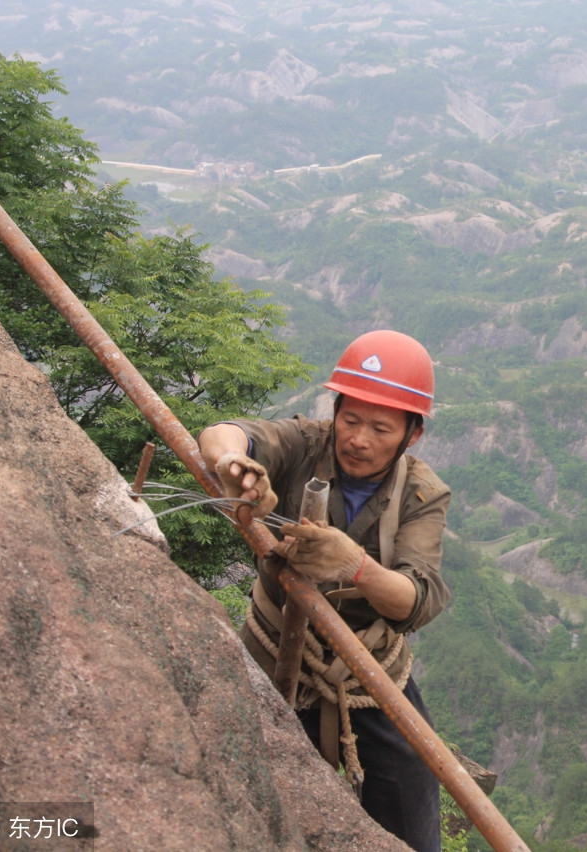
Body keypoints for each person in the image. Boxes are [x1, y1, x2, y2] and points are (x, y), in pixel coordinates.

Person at [198, 329, 451, 852]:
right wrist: (235, 466)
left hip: (367, 667)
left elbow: (417, 599)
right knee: (229, 777)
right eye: (350, 419)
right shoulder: (305, 445)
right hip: (273, 646)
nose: (358, 438)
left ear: (412, 434)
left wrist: (355, 565)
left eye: (381, 428)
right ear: (333, 411)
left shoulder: (422, 493)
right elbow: (225, 433)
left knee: (414, 795)